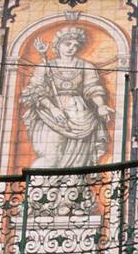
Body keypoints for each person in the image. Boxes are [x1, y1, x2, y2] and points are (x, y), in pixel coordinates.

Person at [20, 26, 110, 171]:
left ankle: (72, 192)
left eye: (75, 45)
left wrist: (100, 106)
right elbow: (35, 90)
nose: (71, 48)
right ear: (58, 45)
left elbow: (93, 88)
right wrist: (53, 108)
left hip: (80, 114)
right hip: (51, 115)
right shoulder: (45, 66)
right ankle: (37, 191)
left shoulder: (86, 66)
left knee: (79, 162)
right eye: (67, 44)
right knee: (51, 157)